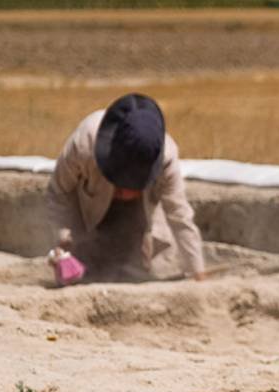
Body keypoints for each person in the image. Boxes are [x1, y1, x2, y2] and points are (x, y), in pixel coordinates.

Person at [47, 93, 205, 283]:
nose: (125, 192)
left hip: (138, 223)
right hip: (89, 218)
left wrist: (197, 271)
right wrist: (64, 240)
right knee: (85, 270)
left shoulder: (166, 157)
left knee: (138, 274)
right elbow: (58, 193)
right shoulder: (84, 143)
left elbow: (179, 214)